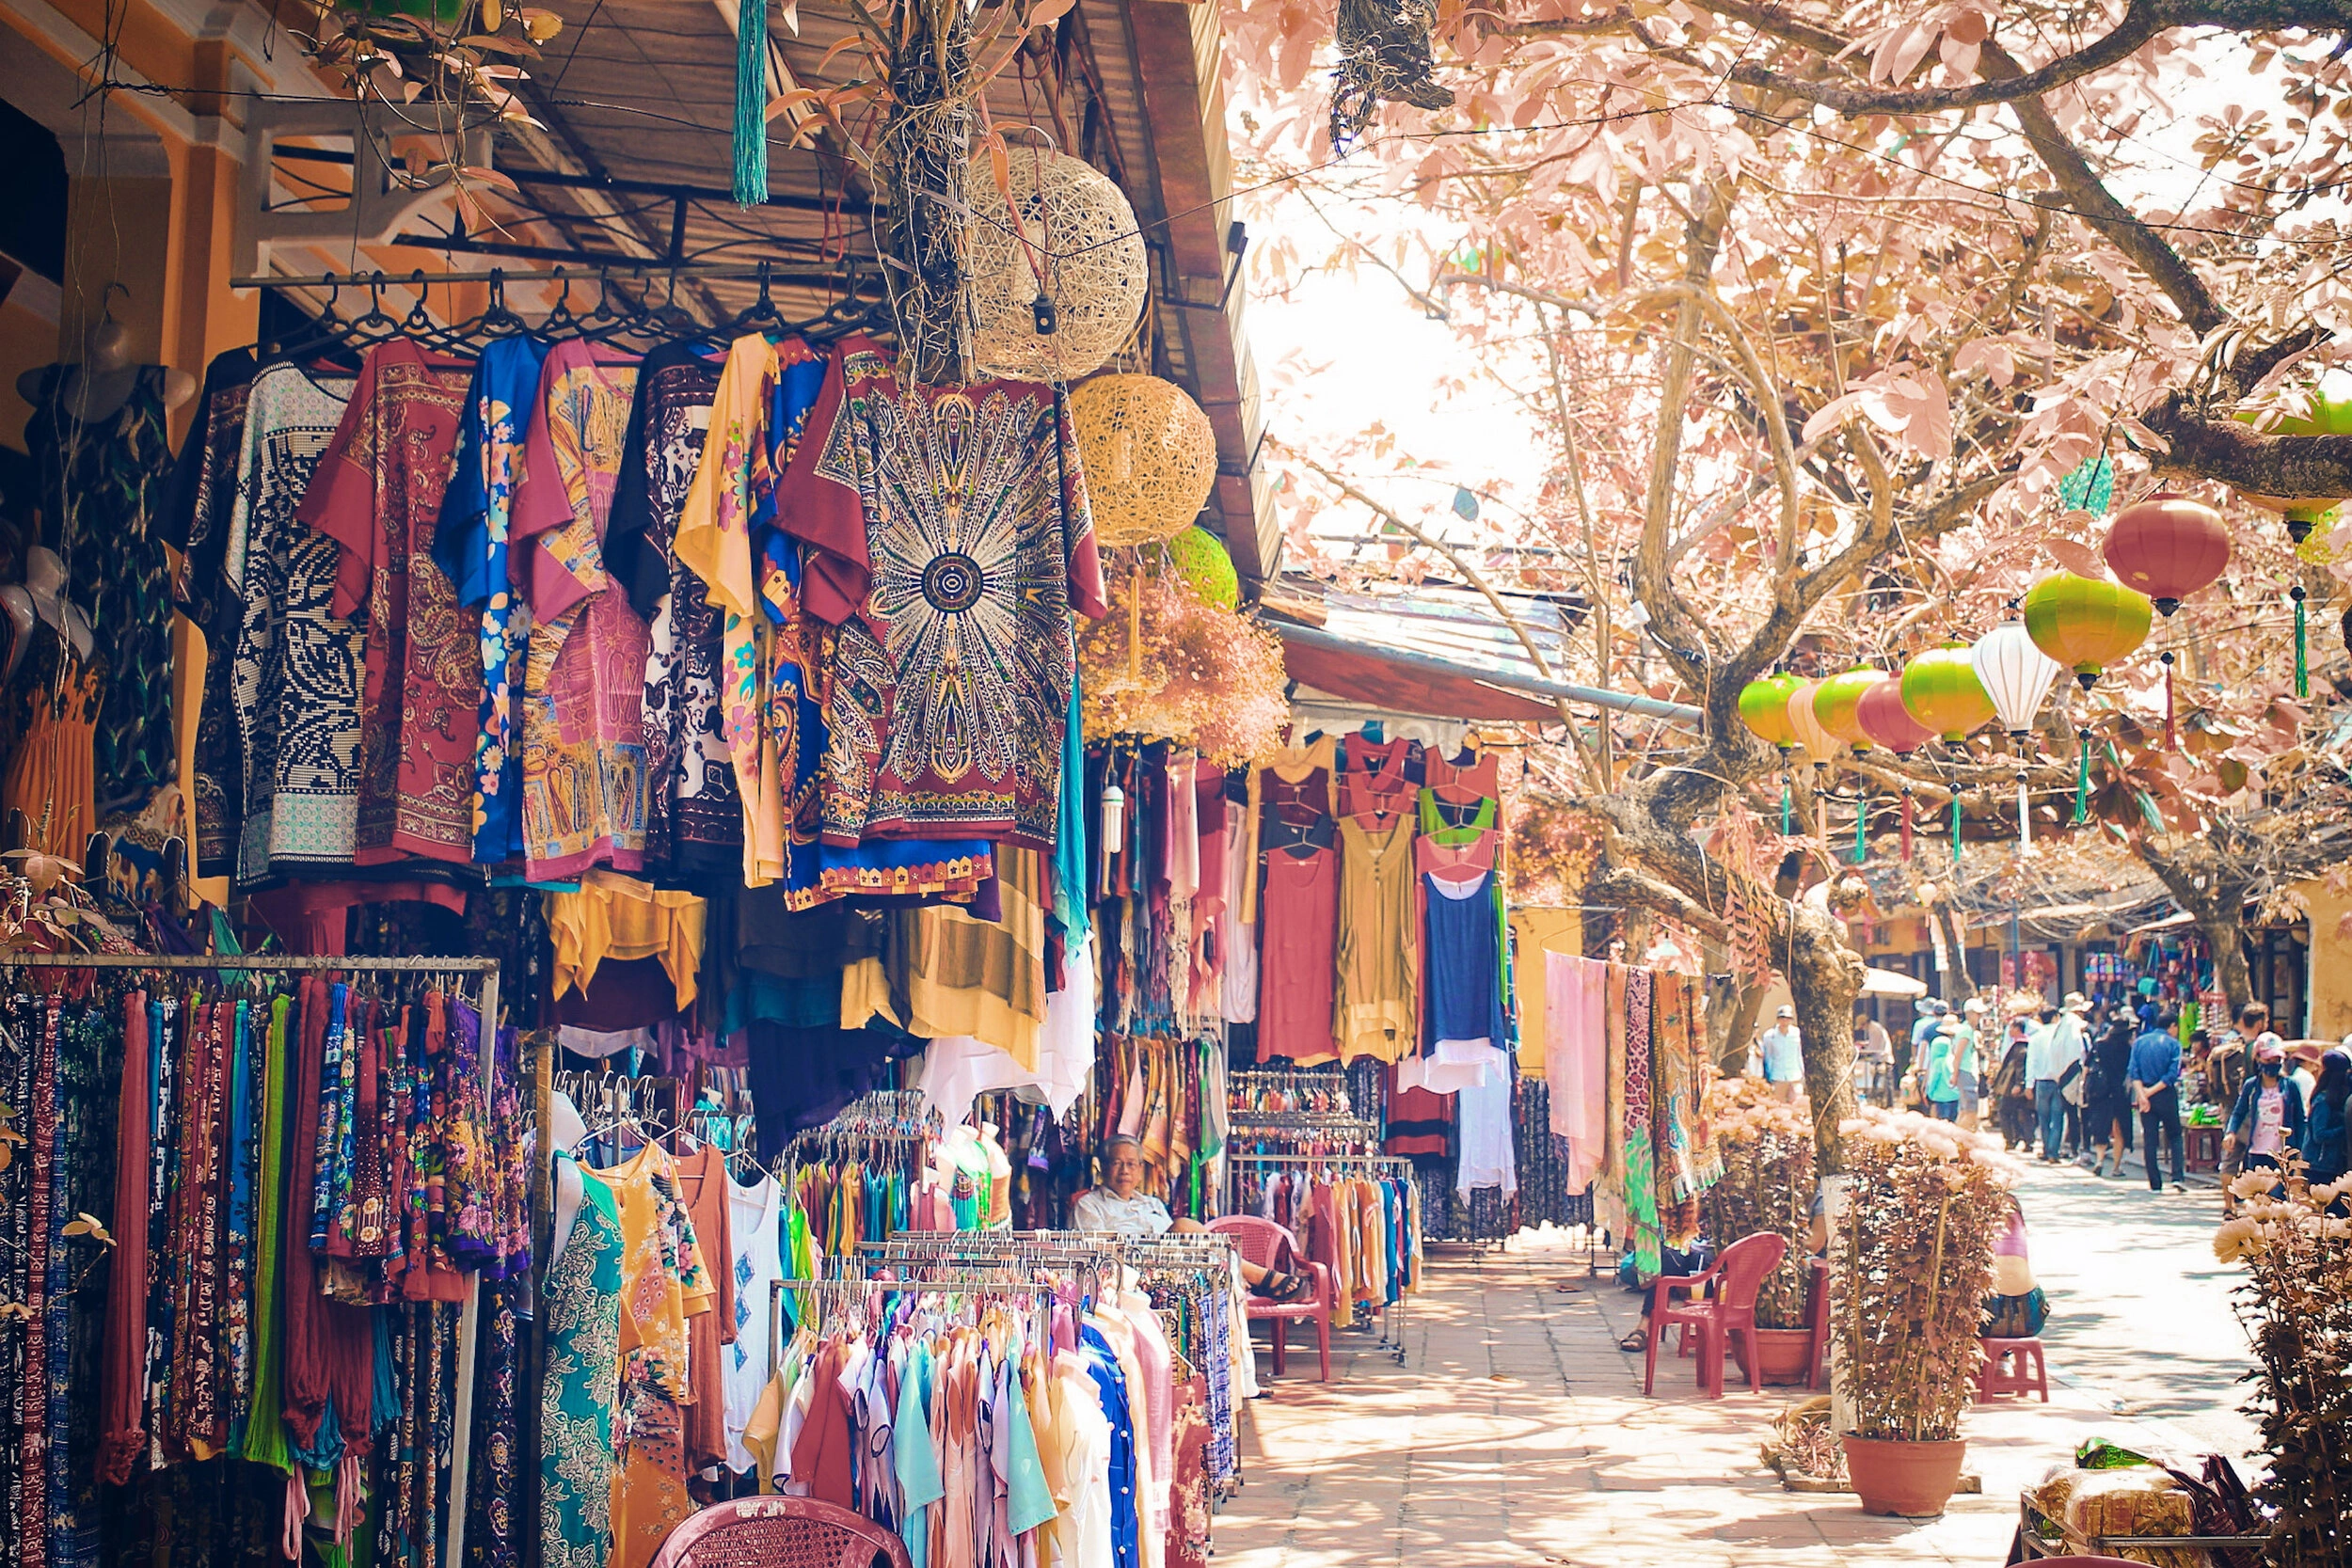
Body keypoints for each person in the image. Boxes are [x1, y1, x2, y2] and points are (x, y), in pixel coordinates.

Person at [1073, 1134, 1314, 1300]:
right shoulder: (1090, 1206)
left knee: (1192, 1238)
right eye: (1116, 1163)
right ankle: (1255, 1275)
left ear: (1139, 1170)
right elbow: (1095, 1255)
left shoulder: (1152, 1203)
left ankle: (1240, 1274)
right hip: (1130, 1274)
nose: (1124, 1171)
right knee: (1183, 1226)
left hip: (1177, 1270)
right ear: (1102, 1167)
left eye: (1131, 1164)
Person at [2222, 1035, 2307, 1190]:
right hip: (2257, 1152)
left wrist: (2300, 1150)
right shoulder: (2251, 1086)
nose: (2273, 1064)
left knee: (2279, 1198)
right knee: (2260, 1198)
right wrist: (2231, 1132)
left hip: (2283, 1153)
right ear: (2258, 1059)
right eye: (2268, 1060)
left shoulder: (2290, 1086)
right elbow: (2239, 1112)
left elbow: (2300, 1119)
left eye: (2276, 1060)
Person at [2128, 1005, 2186, 1194]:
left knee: (2150, 1139)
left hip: (2144, 1092)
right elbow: (2171, 1075)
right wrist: (2150, 1092)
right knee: (2175, 1135)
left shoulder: (2139, 1042)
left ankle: (2155, 1182)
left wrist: (2142, 1094)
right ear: (2171, 1026)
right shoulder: (2173, 1045)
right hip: (2164, 1093)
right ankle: (2177, 1176)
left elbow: (2133, 1071)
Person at [1981, 1195, 2049, 1338]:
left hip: (1989, 1317)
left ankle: (1995, 1356)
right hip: (2031, 1317)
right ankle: (2003, 1356)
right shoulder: (2019, 1224)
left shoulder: (1976, 1226)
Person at [2028, 997, 2087, 1164]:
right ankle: (2054, 1152)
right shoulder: (2062, 1033)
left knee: (2044, 1119)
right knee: (2057, 1117)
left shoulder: (2036, 1037)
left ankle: (2047, 1149)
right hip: (2058, 1080)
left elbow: (2031, 1062)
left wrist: (2029, 1084)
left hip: (2041, 1082)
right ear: (2055, 1017)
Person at [2085, 1003, 2138, 1178]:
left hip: (2100, 1092)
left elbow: (2087, 1066)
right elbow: (2131, 1072)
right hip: (2119, 1092)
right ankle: (2116, 1167)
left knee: (2100, 1126)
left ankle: (2100, 1161)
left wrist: (2083, 1087)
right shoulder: (2128, 1049)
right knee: (2119, 1129)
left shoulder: (2100, 1045)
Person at [2307, 1047, 2350, 1186]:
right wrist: (2345, 1129)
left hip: (2333, 1165)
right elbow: (2319, 1135)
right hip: (2320, 1165)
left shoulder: (2337, 1099)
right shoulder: (2323, 1101)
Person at [1757, 1005, 1804, 1102]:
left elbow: (1799, 1053)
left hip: (1795, 1075)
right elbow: (1769, 1057)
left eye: (1788, 1018)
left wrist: (1803, 1072)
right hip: (1778, 1075)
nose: (1785, 1021)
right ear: (1778, 1019)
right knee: (1778, 1104)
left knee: (1797, 1105)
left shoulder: (1797, 1033)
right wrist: (1769, 1075)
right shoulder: (1770, 1036)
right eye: (1782, 1018)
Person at [1956, 998, 1989, 1131]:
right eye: (1977, 1014)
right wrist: (1955, 1073)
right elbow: (1958, 1054)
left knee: (1966, 1108)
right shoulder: (1966, 1031)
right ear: (1969, 1013)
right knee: (1970, 1108)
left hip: (1968, 1071)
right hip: (1966, 1071)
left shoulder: (1966, 1029)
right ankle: (1963, 1135)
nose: (1979, 1017)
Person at [1923, 1018, 1961, 1121]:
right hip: (1955, 1096)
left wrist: (1929, 1093)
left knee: (1944, 1121)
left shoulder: (1938, 1062)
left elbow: (1933, 1079)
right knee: (1953, 1120)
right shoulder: (1953, 1059)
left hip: (1941, 1098)